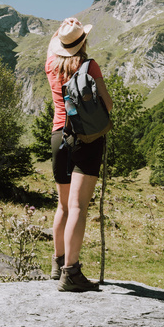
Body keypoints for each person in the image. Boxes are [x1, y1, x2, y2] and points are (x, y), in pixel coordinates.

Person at [45, 17, 113, 292]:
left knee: (62, 206)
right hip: (85, 138)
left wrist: (64, 31)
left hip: (58, 137)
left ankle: (57, 262)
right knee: (78, 207)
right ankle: (71, 273)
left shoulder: (50, 65)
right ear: (83, 42)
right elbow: (107, 103)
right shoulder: (89, 65)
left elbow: (56, 46)